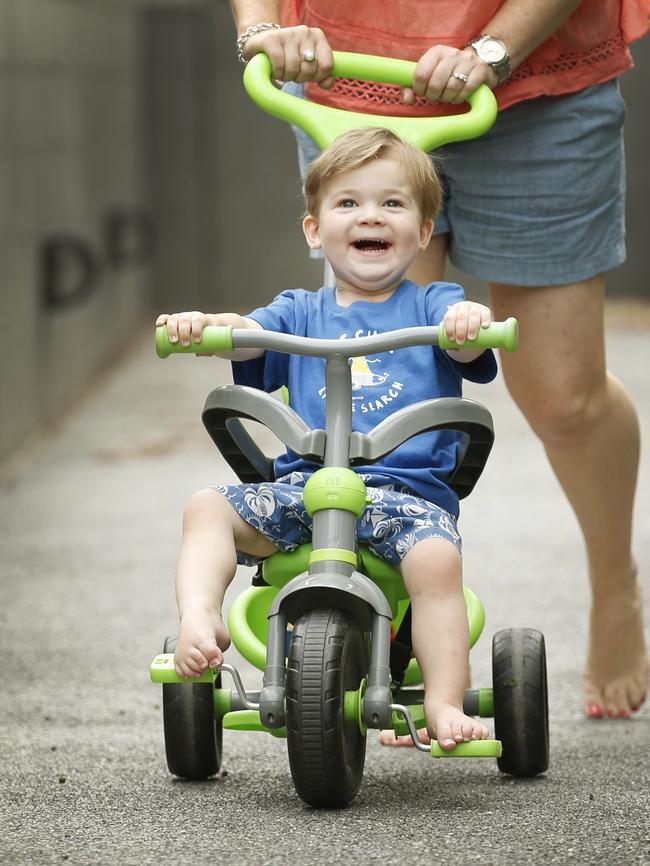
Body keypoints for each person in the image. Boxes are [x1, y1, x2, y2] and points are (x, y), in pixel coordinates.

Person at [227, 0, 649, 723]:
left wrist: (494, 48)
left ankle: (615, 584)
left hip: (533, 88)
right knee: (377, 377)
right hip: (350, 76)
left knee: (561, 395)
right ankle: (395, 644)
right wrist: (262, 28)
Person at [157, 126, 501, 750]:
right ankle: (199, 615)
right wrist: (205, 327)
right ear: (315, 230)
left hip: (405, 497)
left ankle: (444, 702)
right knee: (207, 506)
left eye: (393, 204)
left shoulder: (433, 305)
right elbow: (248, 333)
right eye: (349, 203)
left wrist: (468, 324)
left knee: (437, 561)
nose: (371, 215)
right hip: (304, 491)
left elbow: (470, 344)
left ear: (424, 232)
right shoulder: (298, 312)